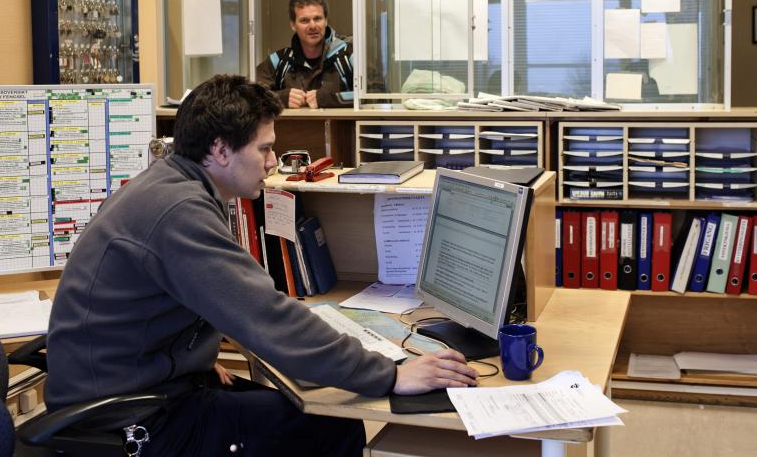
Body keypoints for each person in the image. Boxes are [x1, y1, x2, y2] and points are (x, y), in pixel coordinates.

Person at [45, 74, 477, 456]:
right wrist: (390, 375)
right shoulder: (179, 211)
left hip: (133, 389)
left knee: (296, 408)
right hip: (127, 420)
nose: (273, 162)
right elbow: (266, 317)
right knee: (329, 427)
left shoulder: (167, 183)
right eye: (265, 148)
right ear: (220, 150)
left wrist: (189, 358)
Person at [255, 0, 354, 109]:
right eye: (304, 20)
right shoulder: (279, 61)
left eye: (317, 19)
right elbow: (246, 95)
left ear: (326, 21)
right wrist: (281, 98)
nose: (313, 26)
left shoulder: (349, 55)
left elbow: (375, 95)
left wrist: (329, 99)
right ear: (292, 25)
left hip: (342, 128)